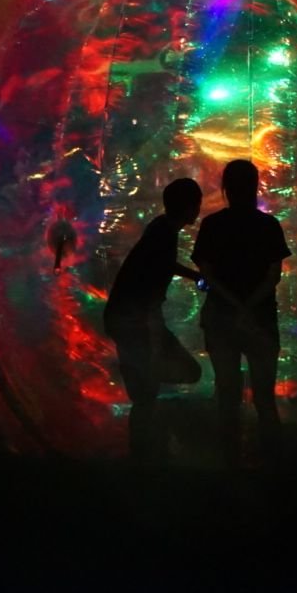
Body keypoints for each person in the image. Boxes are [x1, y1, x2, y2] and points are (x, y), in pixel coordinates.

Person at [192, 159, 291, 466]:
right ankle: (273, 467)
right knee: (265, 398)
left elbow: (206, 273)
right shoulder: (269, 226)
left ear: (226, 188)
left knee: (227, 395)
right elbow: (274, 275)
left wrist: (232, 304)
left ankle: (228, 466)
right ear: (255, 186)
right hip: (260, 319)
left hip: (221, 319)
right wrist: (249, 306)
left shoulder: (212, 225)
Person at [103, 178, 204, 462]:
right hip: (134, 321)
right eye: (196, 203)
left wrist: (193, 276)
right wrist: (155, 338)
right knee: (159, 386)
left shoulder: (161, 228)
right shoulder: (164, 233)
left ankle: (144, 450)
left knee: (147, 390)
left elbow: (159, 264)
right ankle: (145, 454)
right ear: (189, 207)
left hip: (123, 318)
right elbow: (150, 285)